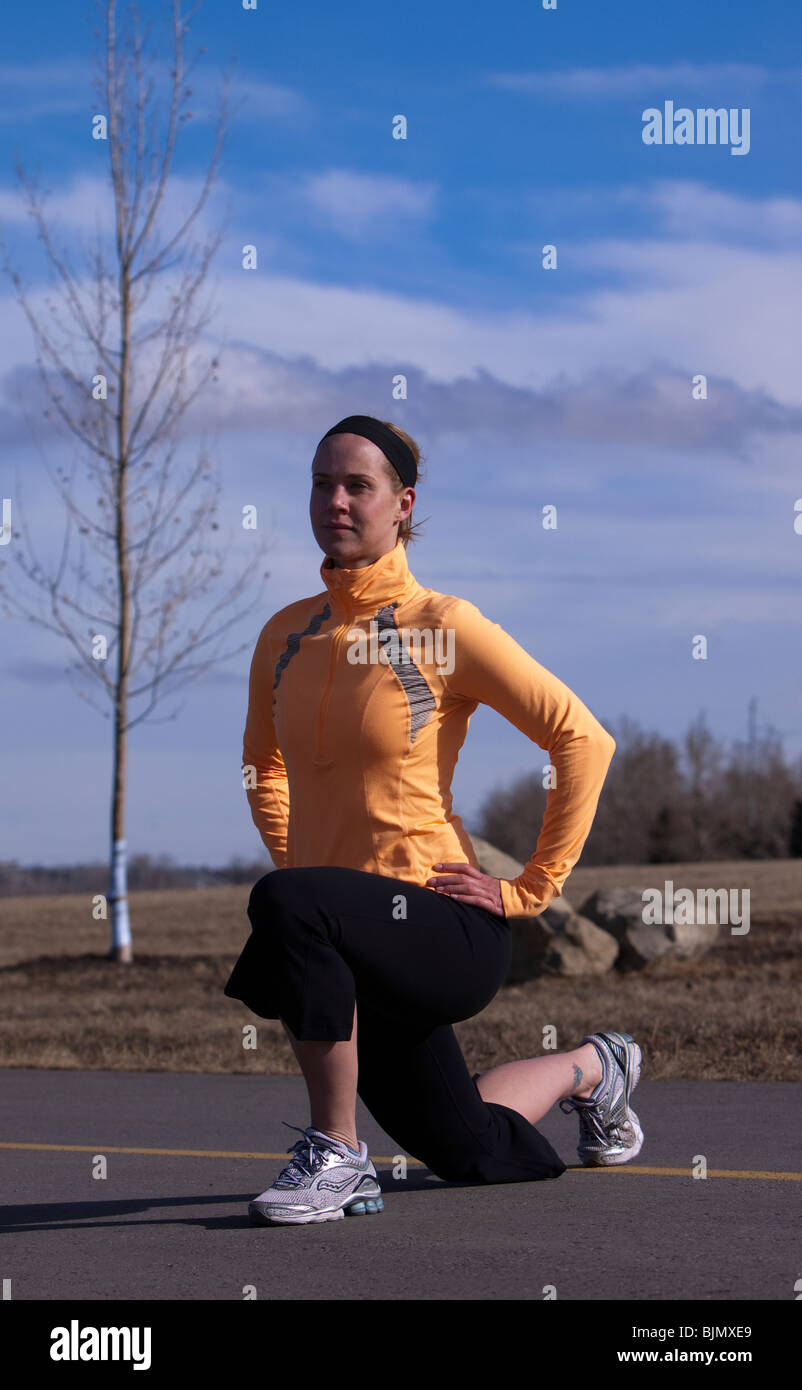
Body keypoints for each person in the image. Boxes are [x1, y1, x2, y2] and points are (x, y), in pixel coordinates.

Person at [223, 414, 643, 1226]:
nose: (335, 501)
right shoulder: (285, 635)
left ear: (403, 504)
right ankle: (597, 1068)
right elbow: (262, 767)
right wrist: (304, 864)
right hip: (348, 943)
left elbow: (583, 740)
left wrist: (531, 888)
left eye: (358, 486)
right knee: (468, 1149)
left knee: (290, 904)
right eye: (321, 483)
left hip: (441, 922)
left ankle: (337, 1154)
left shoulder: (443, 626)